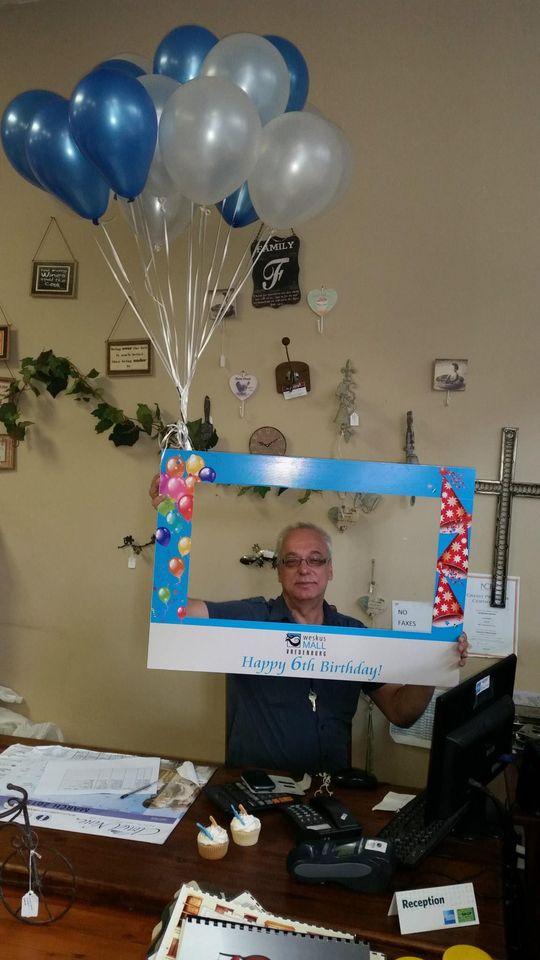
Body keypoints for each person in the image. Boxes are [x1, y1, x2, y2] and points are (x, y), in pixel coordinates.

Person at [150, 478, 468, 774]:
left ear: (330, 570)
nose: (304, 569)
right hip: (255, 790)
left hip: (329, 792)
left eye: (315, 560)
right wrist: (171, 523)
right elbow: (175, 614)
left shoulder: (354, 635)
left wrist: (433, 662)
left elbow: (401, 712)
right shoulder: (250, 618)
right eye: (292, 560)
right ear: (279, 571)